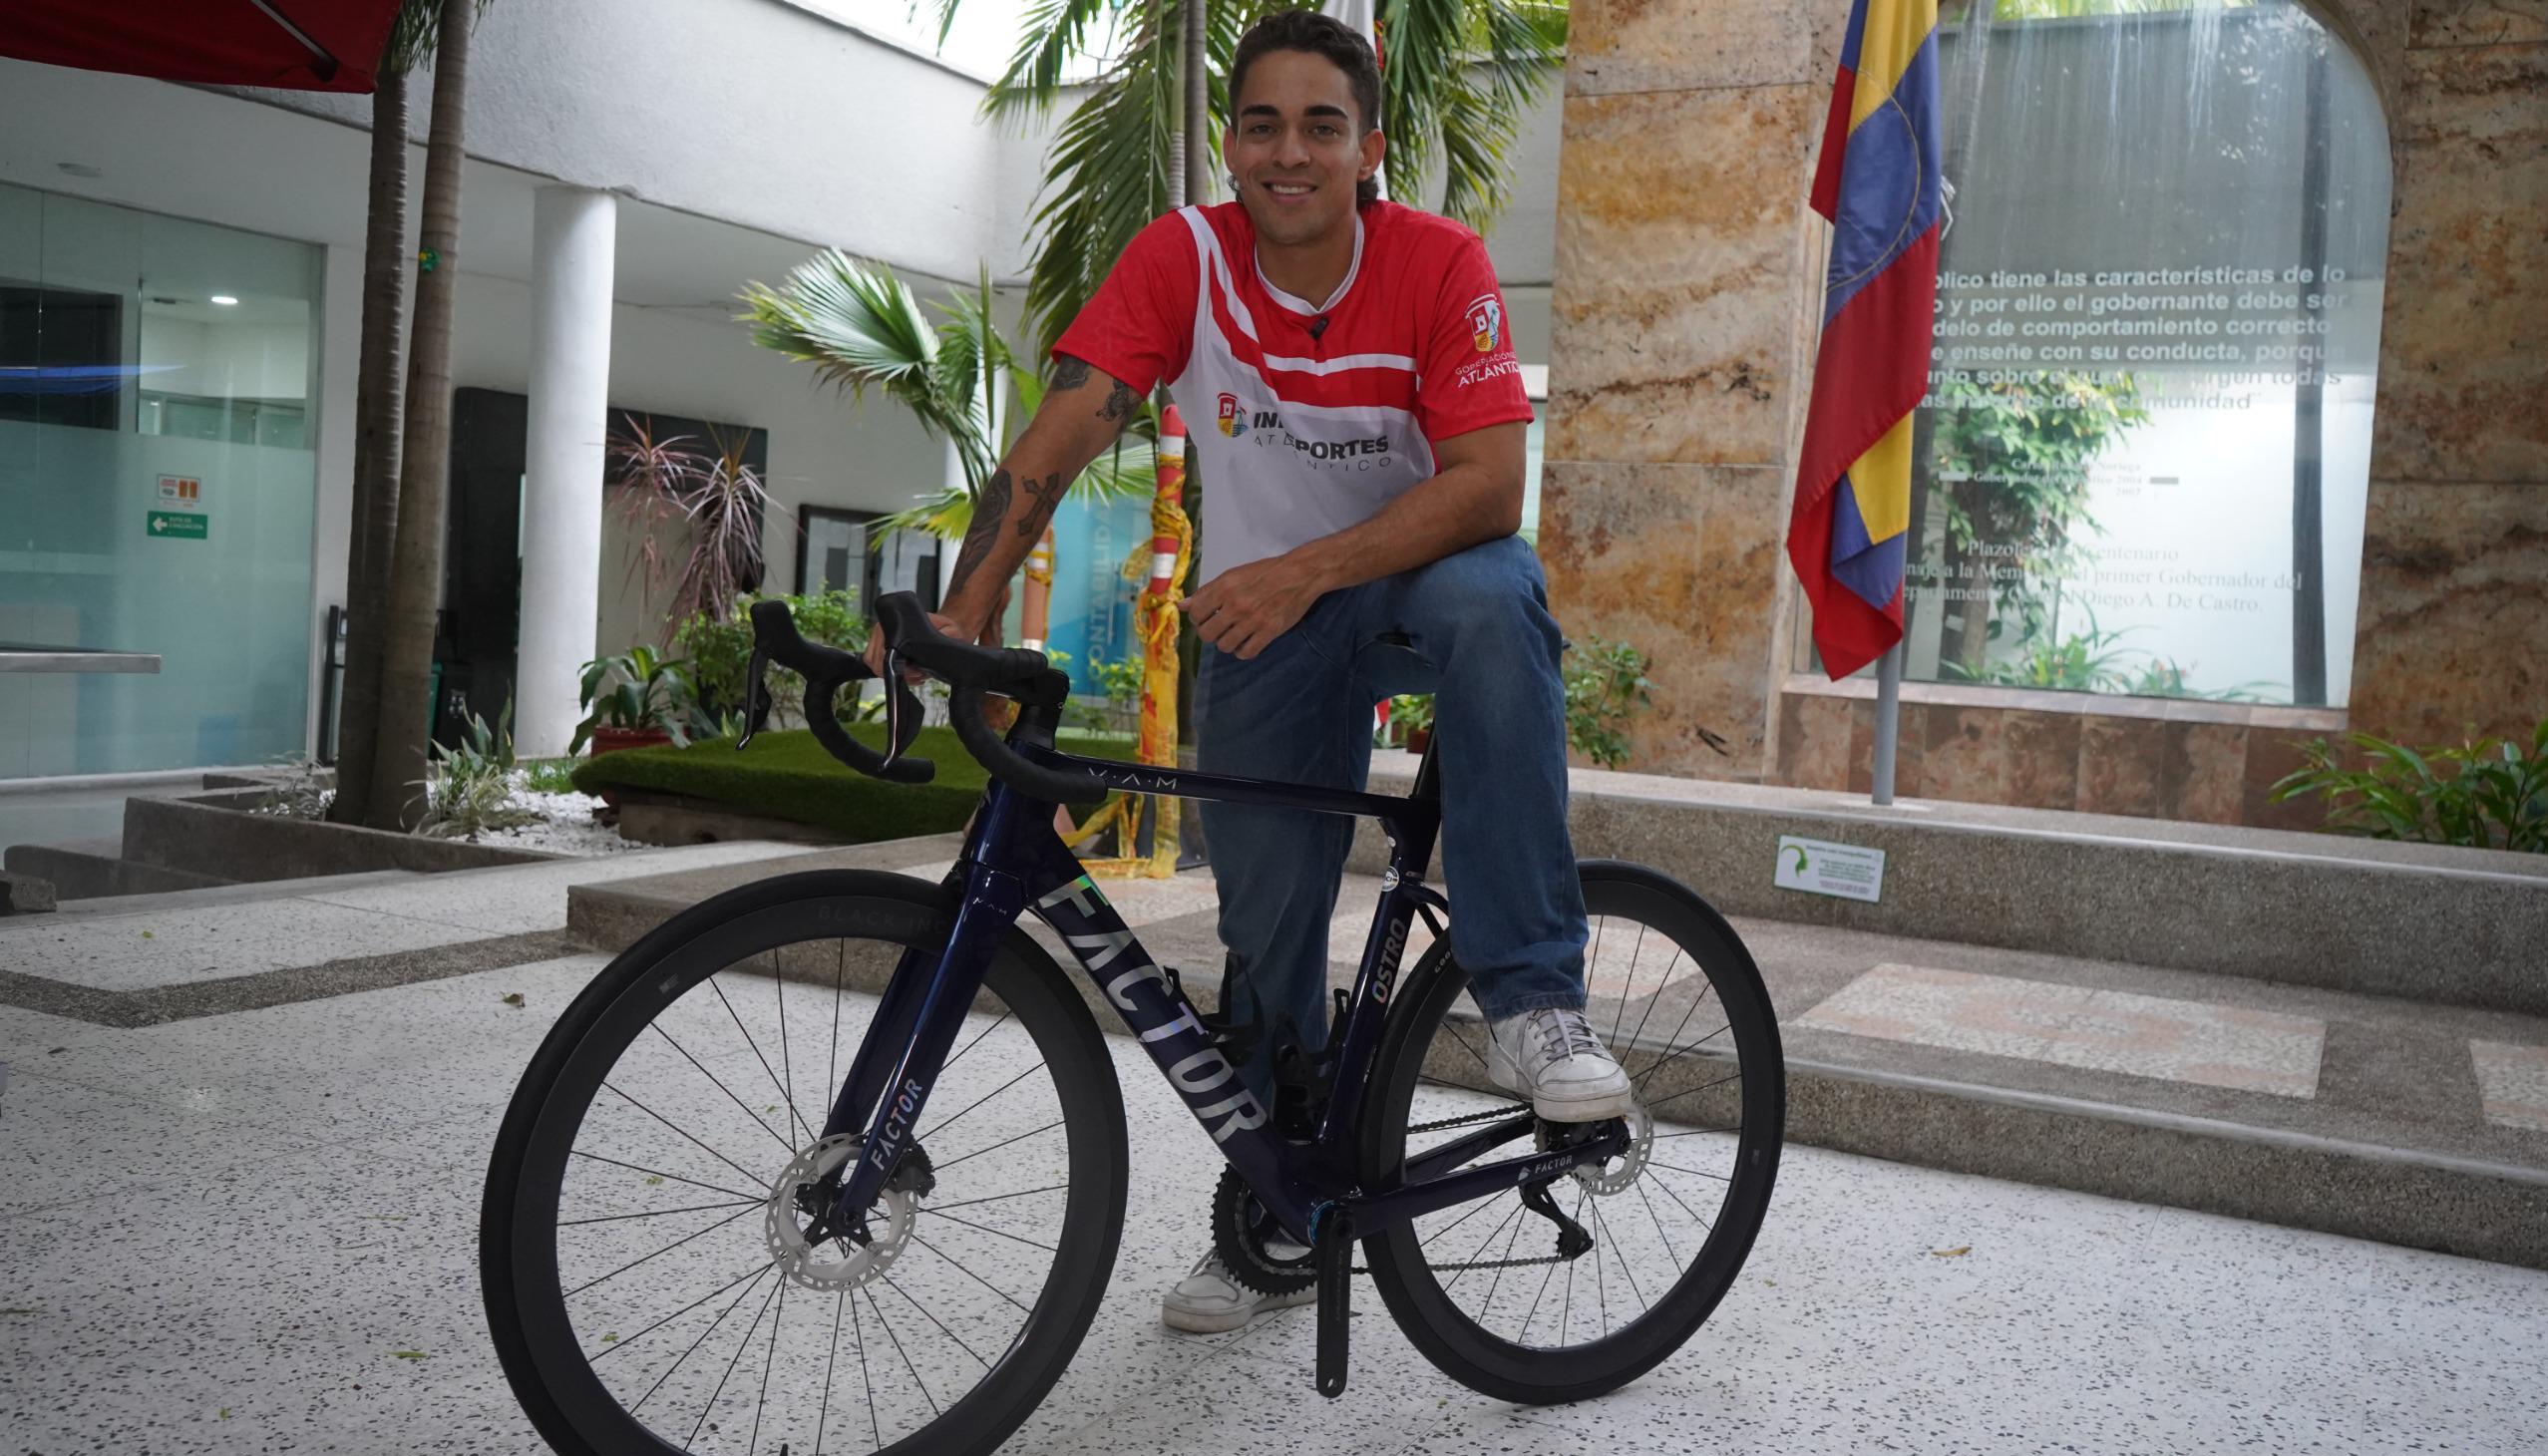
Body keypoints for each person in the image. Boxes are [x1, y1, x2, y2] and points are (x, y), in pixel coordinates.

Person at [864, 7, 1630, 1335]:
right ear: (1231, 144)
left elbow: (1489, 487)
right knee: (1265, 935)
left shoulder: (1438, 262)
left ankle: (1537, 1003)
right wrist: (967, 616)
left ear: (1368, 148)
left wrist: (1303, 571)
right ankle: (1281, 1204)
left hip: (1409, 584)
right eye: (1263, 124)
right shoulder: (1187, 257)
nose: (1290, 152)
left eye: (1322, 126)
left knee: (1498, 598)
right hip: (1265, 622)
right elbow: (1061, 434)